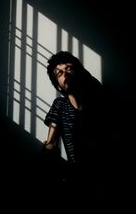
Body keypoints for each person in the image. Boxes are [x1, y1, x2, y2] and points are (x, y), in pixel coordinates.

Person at [42, 51, 107, 202]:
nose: (65, 73)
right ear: (58, 87)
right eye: (60, 73)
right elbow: (50, 143)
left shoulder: (100, 100)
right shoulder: (60, 105)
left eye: (69, 68)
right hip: (76, 182)